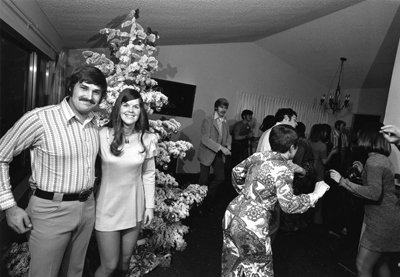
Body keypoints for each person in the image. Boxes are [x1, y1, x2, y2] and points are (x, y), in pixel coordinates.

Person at [0, 66, 107, 277]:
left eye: (96, 92)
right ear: (70, 87)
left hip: (87, 207)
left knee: (74, 272)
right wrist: (9, 206)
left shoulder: (96, 124)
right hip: (50, 209)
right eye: (84, 88)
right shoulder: (40, 119)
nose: (89, 96)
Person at [222, 124, 330, 277]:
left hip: (233, 212)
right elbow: (289, 205)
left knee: (234, 262)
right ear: (293, 148)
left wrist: (247, 194)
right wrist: (315, 195)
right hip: (253, 222)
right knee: (258, 269)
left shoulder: (259, 155)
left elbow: (236, 171)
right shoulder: (283, 169)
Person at [94, 88, 156, 277]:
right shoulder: (102, 134)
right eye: (126, 105)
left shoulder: (148, 138)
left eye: (136, 106)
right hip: (107, 208)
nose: (131, 110)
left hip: (134, 207)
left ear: (141, 111)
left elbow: (149, 173)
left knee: (125, 261)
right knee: (109, 265)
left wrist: (149, 207)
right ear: (118, 108)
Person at [330, 123, 400, 277]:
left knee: (362, 266)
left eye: (361, 136)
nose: (358, 139)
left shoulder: (374, 161)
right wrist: (363, 173)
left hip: (381, 223)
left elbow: (374, 193)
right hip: (388, 220)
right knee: (381, 264)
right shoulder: (380, 159)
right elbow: (377, 185)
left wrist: (342, 181)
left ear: (368, 138)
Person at [256, 108, 305, 241]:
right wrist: (301, 170)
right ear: (285, 118)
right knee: (272, 223)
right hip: (271, 184)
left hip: (261, 182)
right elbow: (279, 162)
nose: (296, 124)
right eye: (294, 120)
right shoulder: (277, 134)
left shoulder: (270, 131)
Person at [280, 122, 316, 233]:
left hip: (303, 170)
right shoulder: (304, 141)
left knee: (294, 196)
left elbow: (298, 162)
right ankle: (297, 224)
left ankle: (292, 226)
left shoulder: (300, 143)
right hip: (308, 169)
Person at [198, 98, 231, 212]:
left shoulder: (225, 121)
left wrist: (228, 145)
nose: (224, 110)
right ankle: (198, 202)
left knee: (220, 178)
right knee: (203, 180)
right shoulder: (208, 120)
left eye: (225, 107)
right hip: (207, 153)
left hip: (218, 155)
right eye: (222, 107)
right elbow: (205, 139)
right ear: (216, 107)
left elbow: (228, 136)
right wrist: (221, 147)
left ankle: (207, 199)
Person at [309, 124, 338, 225]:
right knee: (319, 194)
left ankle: (309, 216)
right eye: (325, 131)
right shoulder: (322, 145)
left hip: (310, 167)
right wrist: (332, 152)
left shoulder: (310, 142)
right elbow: (324, 161)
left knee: (310, 191)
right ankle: (317, 219)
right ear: (321, 133)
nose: (326, 133)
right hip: (319, 169)